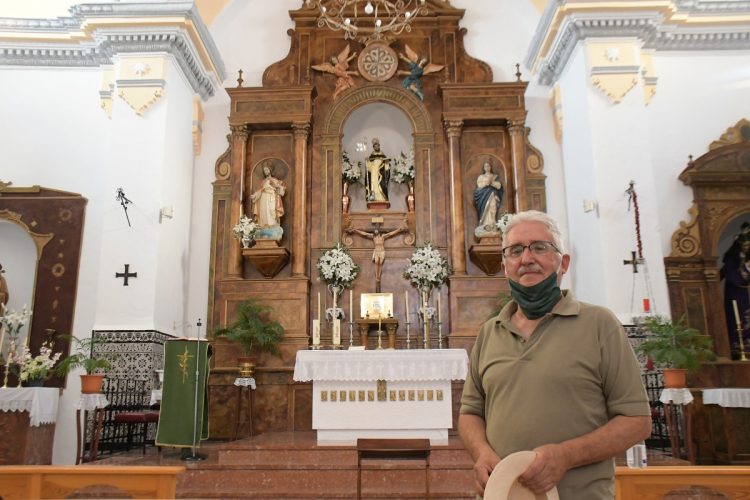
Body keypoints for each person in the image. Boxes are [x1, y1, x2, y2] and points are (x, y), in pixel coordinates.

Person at [459, 210, 651, 499]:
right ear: (504, 265)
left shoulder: (599, 324)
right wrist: (482, 453)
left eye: (539, 247)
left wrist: (566, 456)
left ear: (564, 263)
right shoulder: (489, 332)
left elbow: (637, 420)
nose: (526, 259)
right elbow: (470, 413)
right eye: (515, 251)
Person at [345, 222, 408, 292]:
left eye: (377, 230)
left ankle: (379, 276)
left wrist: (399, 230)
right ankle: (377, 277)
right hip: (376, 251)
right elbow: (365, 234)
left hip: (381, 251)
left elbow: (391, 233)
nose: (376, 231)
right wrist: (356, 230)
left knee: (380, 263)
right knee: (376, 263)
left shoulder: (383, 237)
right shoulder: (373, 237)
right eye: (375, 230)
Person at [720, 233, 750, 357]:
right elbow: (732, 276)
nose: (747, 248)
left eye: (748, 245)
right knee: (738, 316)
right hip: (736, 293)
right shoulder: (731, 259)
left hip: (745, 292)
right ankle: (739, 344)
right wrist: (745, 271)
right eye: (745, 245)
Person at [473, 159, 504, 235]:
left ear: (490, 167)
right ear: (484, 168)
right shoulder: (481, 177)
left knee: (492, 208)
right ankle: (486, 225)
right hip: (484, 196)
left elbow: (499, 186)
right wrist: (486, 184)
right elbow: (479, 187)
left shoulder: (495, 176)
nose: (487, 167)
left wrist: (492, 183)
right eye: (486, 166)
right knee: (486, 210)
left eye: (488, 166)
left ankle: (492, 225)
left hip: (493, 195)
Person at [251, 161, 286, 228]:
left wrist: (279, 188)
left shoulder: (274, 180)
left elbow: (281, 191)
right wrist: (255, 195)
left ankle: (272, 225)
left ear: (270, 169)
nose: (265, 171)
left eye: (267, 169)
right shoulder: (263, 182)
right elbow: (259, 191)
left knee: (271, 213)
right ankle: (264, 227)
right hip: (263, 199)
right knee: (263, 213)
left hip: (271, 198)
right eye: (264, 170)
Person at [365, 138, 390, 203]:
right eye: (375, 146)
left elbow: (386, 167)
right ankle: (373, 197)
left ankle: (382, 198)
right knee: (373, 183)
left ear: (379, 146)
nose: (376, 147)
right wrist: (367, 161)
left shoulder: (383, 155)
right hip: (373, 172)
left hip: (381, 173)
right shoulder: (371, 156)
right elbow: (369, 167)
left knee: (381, 184)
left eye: (377, 146)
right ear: (373, 147)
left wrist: (387, 163)